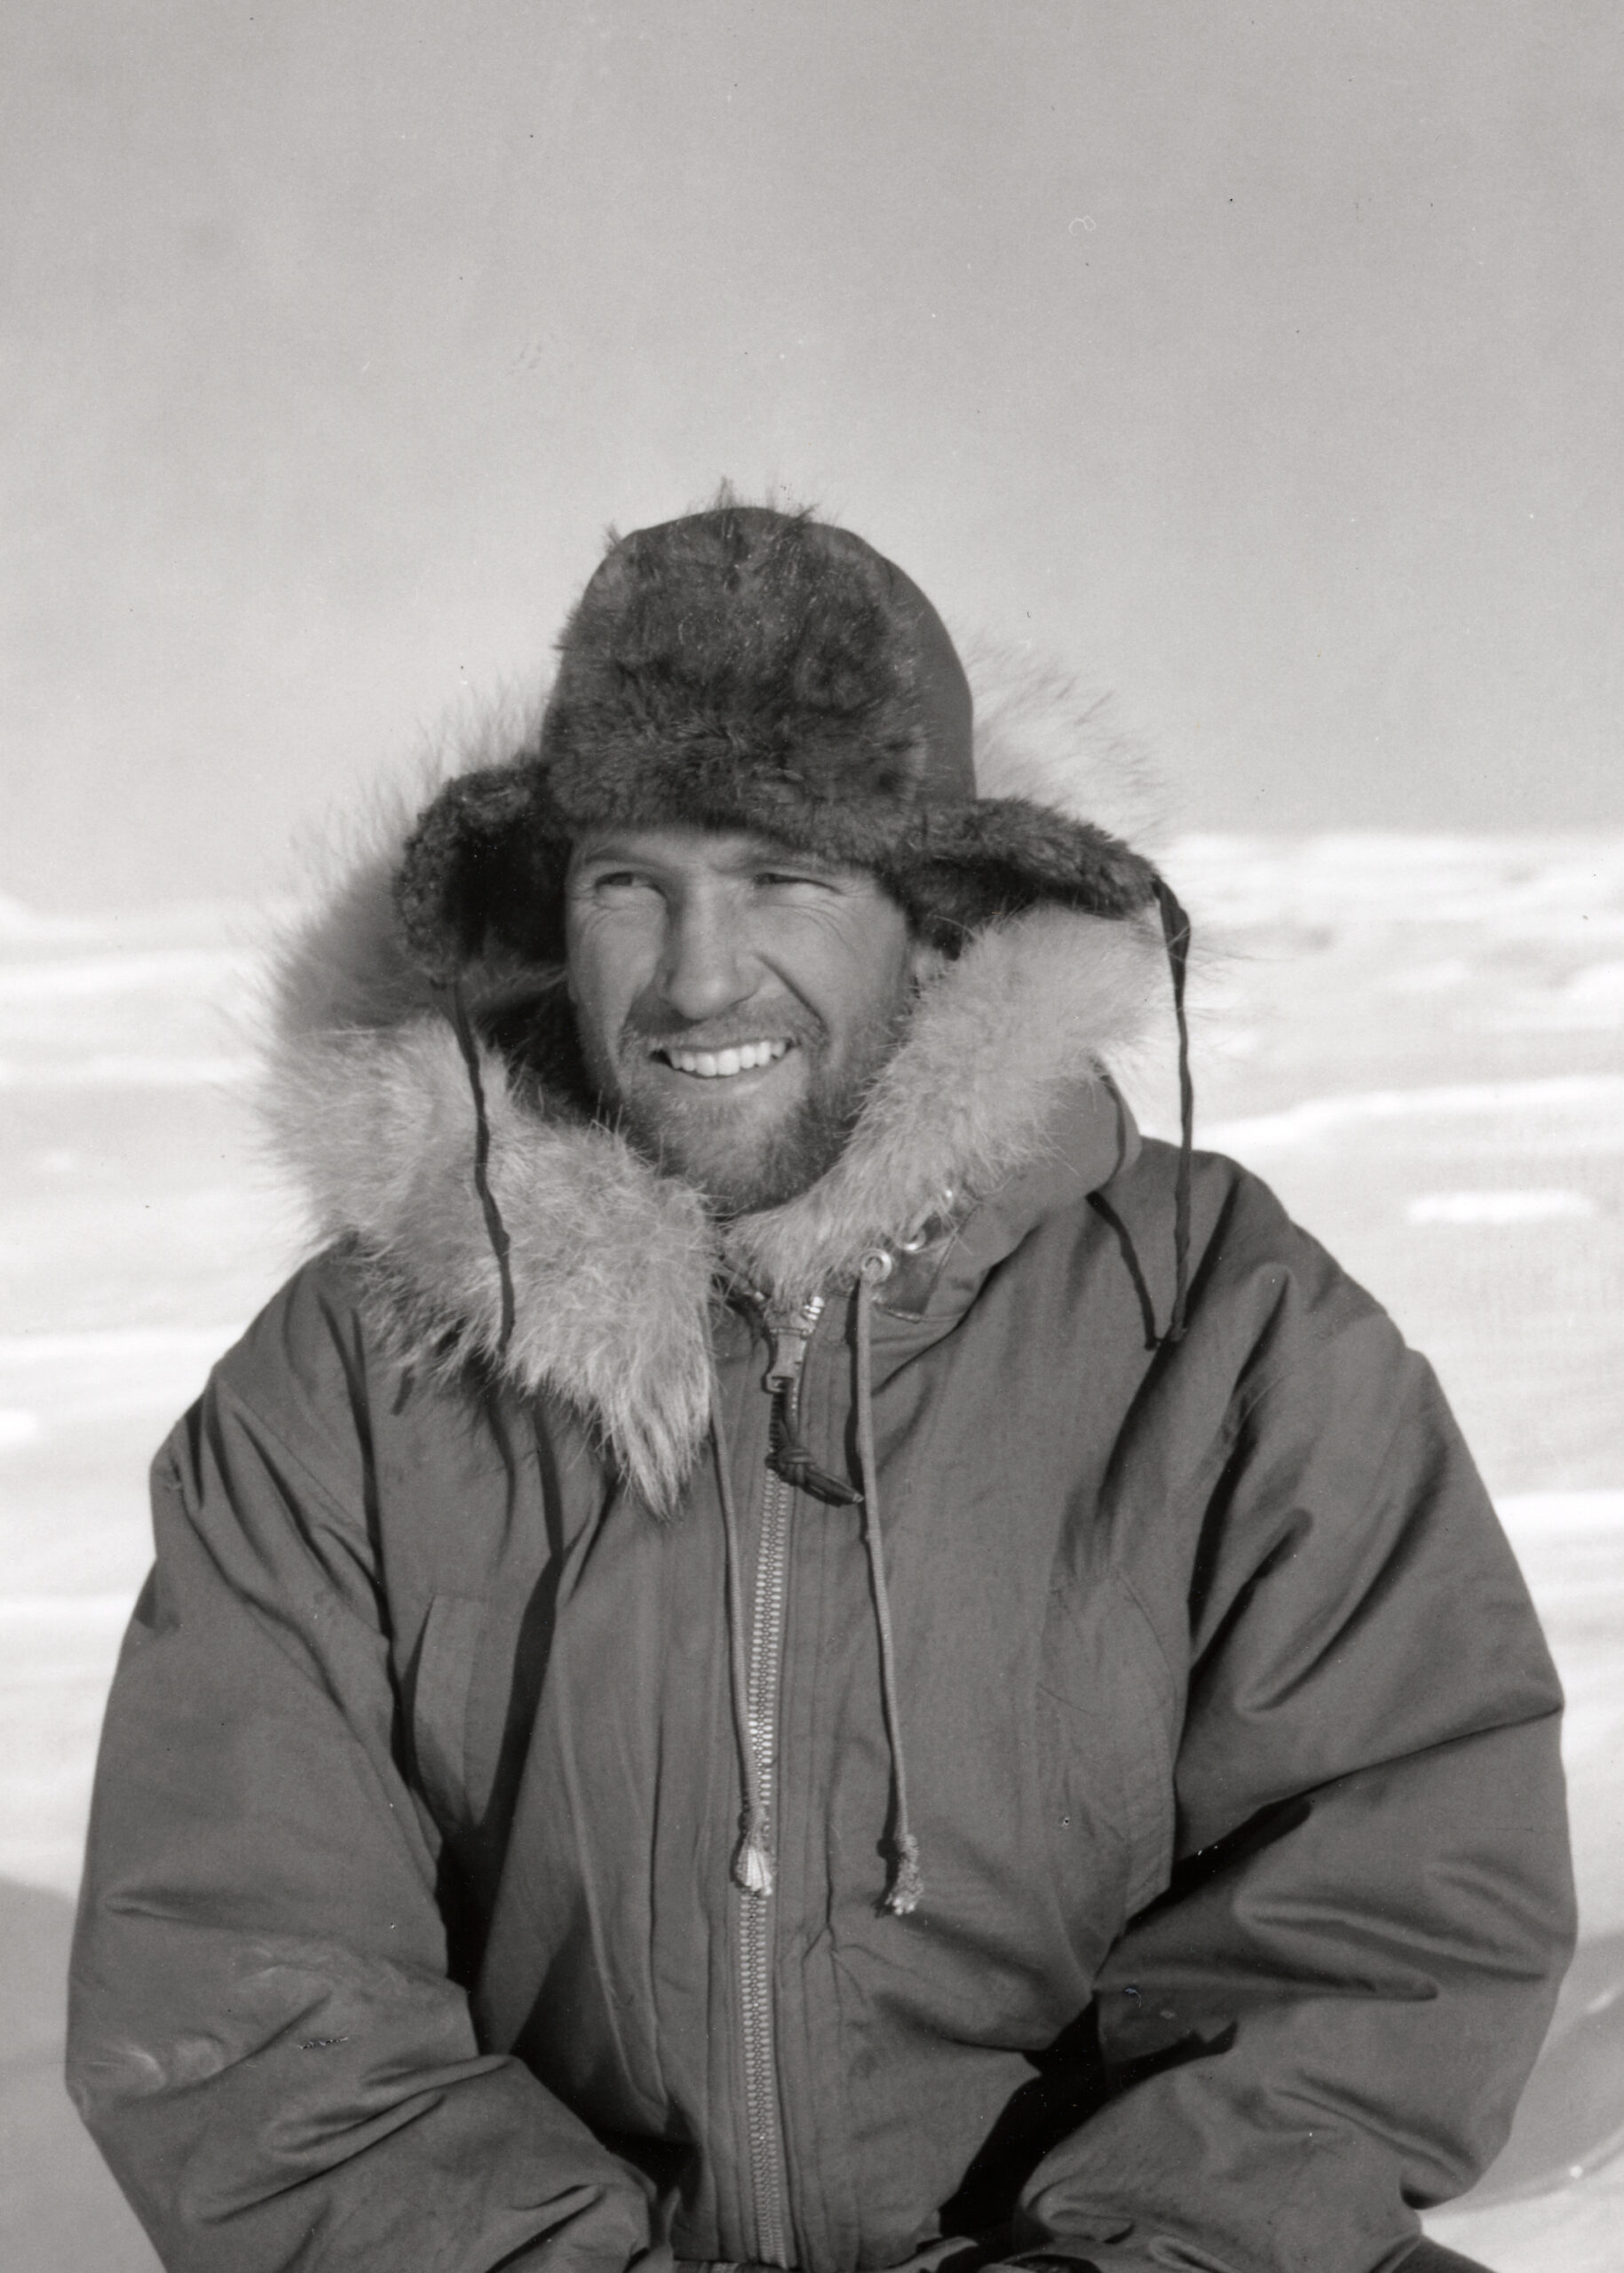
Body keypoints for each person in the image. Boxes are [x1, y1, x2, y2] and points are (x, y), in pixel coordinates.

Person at [68, 503, 1573, 2273]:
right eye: (629, 882)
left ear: (937, 916)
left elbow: (1384, 1918)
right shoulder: (355, 1374)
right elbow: (247, 1994)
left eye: (783, 875)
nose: (699, 976)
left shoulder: (1224, 1323)